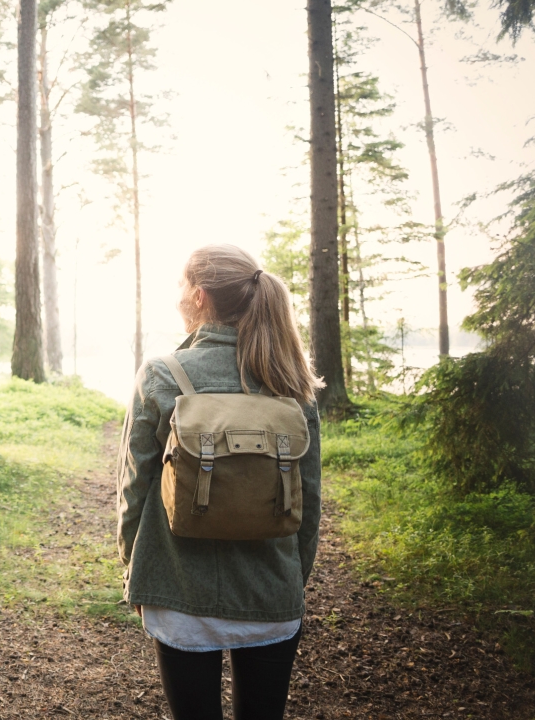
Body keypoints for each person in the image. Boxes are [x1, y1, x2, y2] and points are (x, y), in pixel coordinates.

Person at [116, 244, 323, 720]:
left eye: (181, 287)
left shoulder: (161, 375)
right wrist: (293, 579)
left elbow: (134, 489)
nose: (178, 297)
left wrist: (136, 573)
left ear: (201, 295)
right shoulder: (290, 381)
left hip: (179, 591)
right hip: (271, 592)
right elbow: (308, 499)